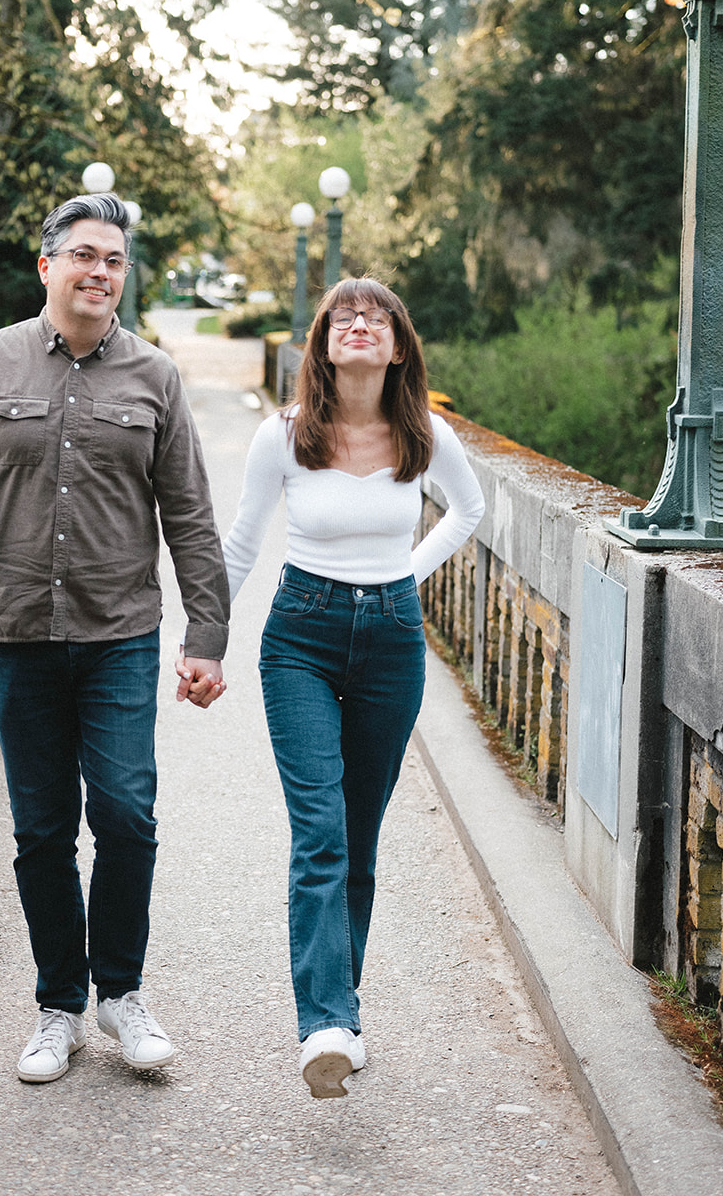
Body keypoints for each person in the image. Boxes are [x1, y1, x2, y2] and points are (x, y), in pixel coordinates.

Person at [0, 193, 229, 1085]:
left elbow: (191, 518)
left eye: (116, 261)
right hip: (16, 634)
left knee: (126, 816)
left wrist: (205, 634)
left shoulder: (154, 378)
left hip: (120, 633)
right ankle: (59, 1005)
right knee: (41, 830)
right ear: (47, 264)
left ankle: (122, 996)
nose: (101, 272)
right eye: (85, 255)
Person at [220, 278, 484, 1099]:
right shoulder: (285, 435)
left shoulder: (425, 435)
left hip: (393, 645)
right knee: (322, 832)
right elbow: (239, 544)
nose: (359, 323)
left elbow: (471, 511)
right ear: (324, 345)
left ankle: (345, 1010)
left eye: (377, 316)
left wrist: (403, 574)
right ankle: (325, 1023)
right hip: (300, 634)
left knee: (359, 836)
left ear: (398, 346)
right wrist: (202, 638)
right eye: (343, 316)